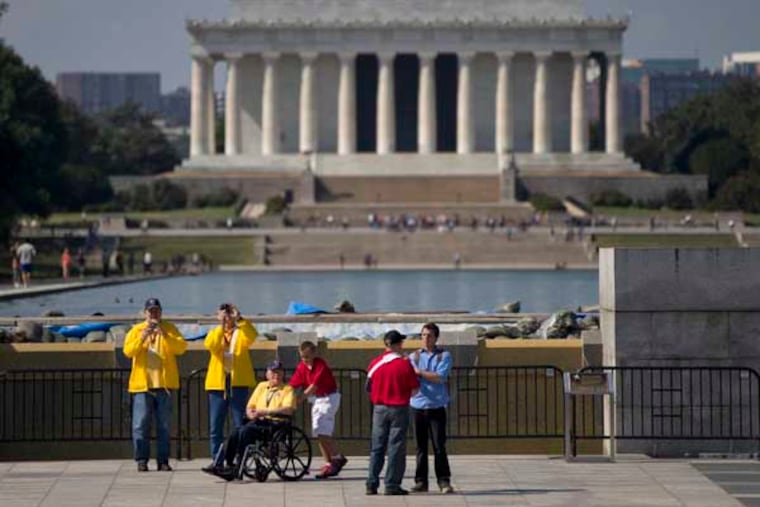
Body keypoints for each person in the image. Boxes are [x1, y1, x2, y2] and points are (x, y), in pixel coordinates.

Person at [123, 298, 187, 472]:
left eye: (157, 311)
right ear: (145, 313)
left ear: (161, 312)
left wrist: (164, 335)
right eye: (151, 311)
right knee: (140, 425)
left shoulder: (169, 329)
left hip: (164, 385)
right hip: (143, 386)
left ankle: (163, 460)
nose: (154, 314)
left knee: (164, 426)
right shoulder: (136, 330)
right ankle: (141, 460)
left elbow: (181, 348)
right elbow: (128, 351)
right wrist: (143, 337)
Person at [206, 360, 296, 481]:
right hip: (259, 420)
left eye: (279, 372)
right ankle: (228, 464)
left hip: (275, 423)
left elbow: (288, 409)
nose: (276, 375)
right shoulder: (262, 386)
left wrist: (265, 412)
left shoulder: (287, 389)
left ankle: (239, 467)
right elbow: (250, 406)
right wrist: (250, 414)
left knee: (246, 431)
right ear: (267, 374)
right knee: (236, 432)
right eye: (273, 373)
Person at [202, 302, 258, 472]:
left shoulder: (241, 333)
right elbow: (210, 345)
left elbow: (253, 336)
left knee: (239, 425)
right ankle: (217, 460)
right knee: (215, 426)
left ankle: (238, 460)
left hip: (238, 383)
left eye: (229, 314)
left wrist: (239, 318)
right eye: (224, 314)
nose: (227, 318)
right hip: (218, 384)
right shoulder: (215, 333)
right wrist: (220, 324)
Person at [365, 330, 420, 496]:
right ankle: (392, 484)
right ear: (398, 344)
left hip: (379, 408)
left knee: (377, 447)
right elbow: (415, 390)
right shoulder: (404, 364)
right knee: (396, 447)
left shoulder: (375, 363)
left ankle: (371, 483)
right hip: (399, 408)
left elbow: (368, 386)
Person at [289, 340, 348, 479]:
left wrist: (297, 401)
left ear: (314, 354)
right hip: (317, 400)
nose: (305, 360)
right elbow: (293, 384)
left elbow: (312, 387)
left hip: (328, 398)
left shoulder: (321, 365)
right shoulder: (302, 367)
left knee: (323, 430)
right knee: (318, 431)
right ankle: (328, 462)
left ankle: (337, 457)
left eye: (307, 357)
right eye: (302, 357)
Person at [409, 323, 454, 494]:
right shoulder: (414, 356)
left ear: (436, 337)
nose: (425, 338)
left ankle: (444, 481)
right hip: (417, 405)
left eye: (429, 335)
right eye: (423, 335)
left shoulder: (444, 356)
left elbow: (440, 377)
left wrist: (419, 373)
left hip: (436, 406)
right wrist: (422, 374)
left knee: (439, 446)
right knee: (420, 447)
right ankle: (421, 481)